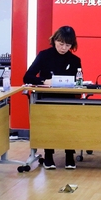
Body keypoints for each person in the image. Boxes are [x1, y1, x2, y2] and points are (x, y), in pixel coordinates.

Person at [24, 26, 82, 170]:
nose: (63, 48)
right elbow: (27, 76)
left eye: (67, 45)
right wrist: (44, 81)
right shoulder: (44, 55)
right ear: (54, 40)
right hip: (47, 98)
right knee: (48, 122)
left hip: (67, 99)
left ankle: (70, 154)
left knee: (70, 122)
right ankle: (48, 154)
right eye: (61, 44)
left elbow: (78, 80)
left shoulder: (75, 60)